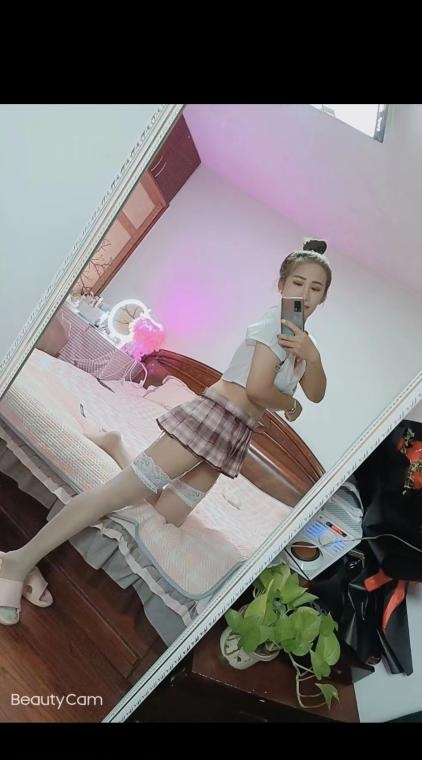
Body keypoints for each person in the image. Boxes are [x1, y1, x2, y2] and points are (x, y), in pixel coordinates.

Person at [0, 239, 332, 625]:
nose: (305, 294)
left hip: (233, 438)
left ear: (323, 298)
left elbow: (317, 392)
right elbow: (258, 389)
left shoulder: (303, 344)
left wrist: (313, 357)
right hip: (214, 419)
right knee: (114, 496)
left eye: (315, 288)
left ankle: (116, 445)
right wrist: (291, 405)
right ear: (282, 285)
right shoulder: (274, 324)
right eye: (298, 283)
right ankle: (17, 561)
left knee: (166, 516)